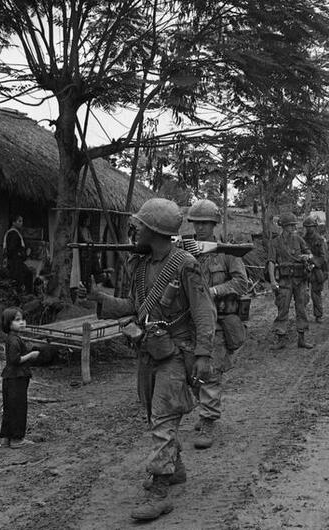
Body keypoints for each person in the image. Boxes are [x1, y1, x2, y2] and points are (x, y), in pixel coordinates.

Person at [80, 198, 218, 522]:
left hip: (175, 353)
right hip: (149, 351)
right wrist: (99, 299)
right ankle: (175, 469)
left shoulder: (185, 264)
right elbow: (133, 305)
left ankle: (160, 492)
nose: (135, 229)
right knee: (153, 415)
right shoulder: (140, 266)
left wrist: (203, 354)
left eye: (140, 225)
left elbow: (204, 312)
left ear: (154, 230)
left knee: (163, 419)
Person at [186, 199, 248, 450]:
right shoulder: (185, 251)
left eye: (205, 223)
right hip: (191, 323)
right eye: (196, 223)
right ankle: (204, 408)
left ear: (213, 225)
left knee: (210, 372)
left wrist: (213, 291)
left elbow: (241, 283)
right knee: (188, 372)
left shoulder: (226, 253)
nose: (200, 228)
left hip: (218, 322)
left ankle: (209, 419)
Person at [267, 213, 315, 350]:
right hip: (284, 280)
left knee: (301, 309)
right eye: (290, 225)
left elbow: (309, 254)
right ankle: (281, 338)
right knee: (282, 309)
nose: (292, 228)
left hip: (299, 279)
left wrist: (306, 257)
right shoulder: (275, 243)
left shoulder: (299, 239)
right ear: (283, 226)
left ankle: (302, 339)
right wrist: (272, 281)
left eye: (293, 225)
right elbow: (271, 262)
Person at [0, 307, 40, 449]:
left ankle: (6, 438)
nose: (22, 322)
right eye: (17, 320)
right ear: (8, 323)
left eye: (22, 319)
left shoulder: (12, 338)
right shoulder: (14, 340)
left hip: (10, 377)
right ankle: (17, 439)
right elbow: (15, 360)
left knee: (9, 407)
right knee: (18, 407)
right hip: (16, 377)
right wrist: (31, 355)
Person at [302, 216, 328, 323]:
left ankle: (318, 315)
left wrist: (313, 261)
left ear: (315, 227)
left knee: (316, 293)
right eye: (307, 227)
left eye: (311, 226)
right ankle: (302, 314)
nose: (309, 229)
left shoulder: (320, 240)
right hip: (304, 268)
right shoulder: (303, 239)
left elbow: (324, 257)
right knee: (302, 293)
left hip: (317, 269)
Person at [3, 214, 33, 293]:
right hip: (15, 262)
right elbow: (12, 249)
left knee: (26, 275)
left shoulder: (13, 233)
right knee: (24, 277)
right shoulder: (13, 234)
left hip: (15, 261)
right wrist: (24, 254)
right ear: (13, 223)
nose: (21, 223)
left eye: (22, 221)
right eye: (19, 221)